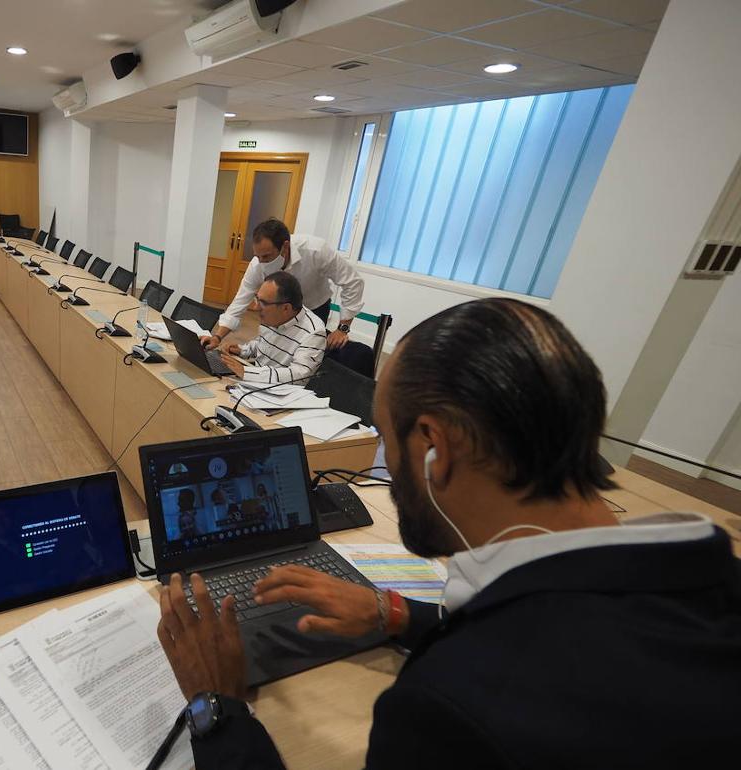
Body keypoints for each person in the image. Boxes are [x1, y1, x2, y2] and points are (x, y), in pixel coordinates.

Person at [155, 298, 741, 768]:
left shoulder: (448, 707)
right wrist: (399, 616)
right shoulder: (710, 580)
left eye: (386, 438)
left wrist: (218, 708)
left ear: (435, 447)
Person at [204, 218, 364, 353]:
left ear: (285, 247)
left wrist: (342, 329)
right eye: (258, 256)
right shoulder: (257, 265)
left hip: (314, 308)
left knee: (307, 353)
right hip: (275, 310)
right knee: (271, 348)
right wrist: (217, 337)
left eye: (267, 256)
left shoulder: (315, 250)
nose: (262, 262)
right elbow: (240, 301)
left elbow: (353, 282)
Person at [216, 271, 330, 385]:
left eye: (263, 303)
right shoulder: (272, 317)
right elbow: (265, 344)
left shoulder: (314, 332)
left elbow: (298, 376)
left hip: (278, 394)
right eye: (257, 299)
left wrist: (247, 373)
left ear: (286, 308)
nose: (256, 307)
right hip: (255, 383)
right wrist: (243, 350)